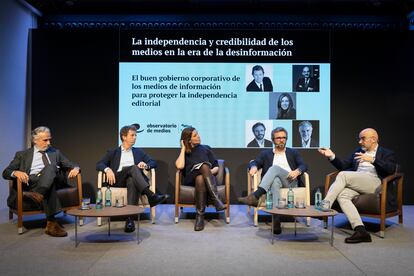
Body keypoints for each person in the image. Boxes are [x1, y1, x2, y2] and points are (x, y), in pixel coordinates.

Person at [318, 128, 398, 243]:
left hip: (375, 183)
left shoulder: (386, 153)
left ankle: (324, 207)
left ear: (374, 139)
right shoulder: (359, 151)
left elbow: (391, 169)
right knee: (342, 196)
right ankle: (361, 230)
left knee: (343, 175)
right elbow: (344, 166)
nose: (360, 142)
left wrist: (373, 160)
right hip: (358, 182)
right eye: (359, 139)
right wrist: (331, 156)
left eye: (363, 138)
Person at [2, 126, 80, 237]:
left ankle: (39, 195)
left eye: (49, 139)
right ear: (35, 141)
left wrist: (76, 168)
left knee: (50, 168)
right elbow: (6, 172)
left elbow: (71, 163)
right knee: (48, 184)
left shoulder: (55, 152)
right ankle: (51, 224)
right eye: (45, 140)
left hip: (53, 179)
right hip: (31, 181)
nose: (49, 142)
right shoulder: (22, 155)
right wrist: (16, 173)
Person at [96, 125, 169, 233]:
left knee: (132, 180)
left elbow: (153, 162)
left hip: (133, 180)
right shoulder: (113, 152)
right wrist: (107, 169)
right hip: (118, 180)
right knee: (133, 167)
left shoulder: (138, 152)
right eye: (132, 135)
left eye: (136, 135)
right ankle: (151, 195)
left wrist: (146, 165)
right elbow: (99, 164)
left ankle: (129, 220)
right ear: (124, 137)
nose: (135, 137)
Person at [238, 127, 308, 234]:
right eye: (278, 138)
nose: (281, 140)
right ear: (273, 140)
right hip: (275, 184)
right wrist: (253, 167)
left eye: (284, 137)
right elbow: (254, 162)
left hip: (290, 182)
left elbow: (304, 165)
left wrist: (297, 171)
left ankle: (256, 195)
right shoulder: (265, 154)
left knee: (274, 168)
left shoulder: (293, 152)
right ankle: (276, 221)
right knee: (275, 181)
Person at [175, 127, 226, 231]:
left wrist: (206, 173)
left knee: (201, 176)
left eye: (198, 134)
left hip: (205, 180)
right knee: (203, 167)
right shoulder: (185, 152)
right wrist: (183, 149)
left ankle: (200, 217)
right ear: (189, 140)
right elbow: (179, 166)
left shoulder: (206, 148)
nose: (198, 136)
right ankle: (216, 200)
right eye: (195, 135)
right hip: (190, 180)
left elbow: (216, 167)